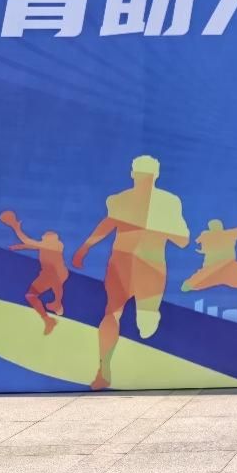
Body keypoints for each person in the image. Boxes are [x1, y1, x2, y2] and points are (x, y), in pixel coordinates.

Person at [73, 155, 189, 391]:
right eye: (141, 174)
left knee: (145, 323)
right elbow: (107, 224)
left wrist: (159, 227)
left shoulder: (168, 202)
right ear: (136, 174)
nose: (143, 179)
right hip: (122, 263)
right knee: (112, 313)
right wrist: (85, 247)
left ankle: (148, 316)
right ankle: (104, 370)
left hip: (150, 265)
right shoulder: (119, 200)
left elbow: (183, 239)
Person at [0, 210, 67, 335]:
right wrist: (20, 247)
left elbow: (29, 241)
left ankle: (57, 303)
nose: (44, 238)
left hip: (58, 273)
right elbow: (34, 245)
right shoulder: (49, 244)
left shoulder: (57, 245)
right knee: (30, 296)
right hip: (47, 275)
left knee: (55, 279)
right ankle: (48, 319)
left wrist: (15, 227)